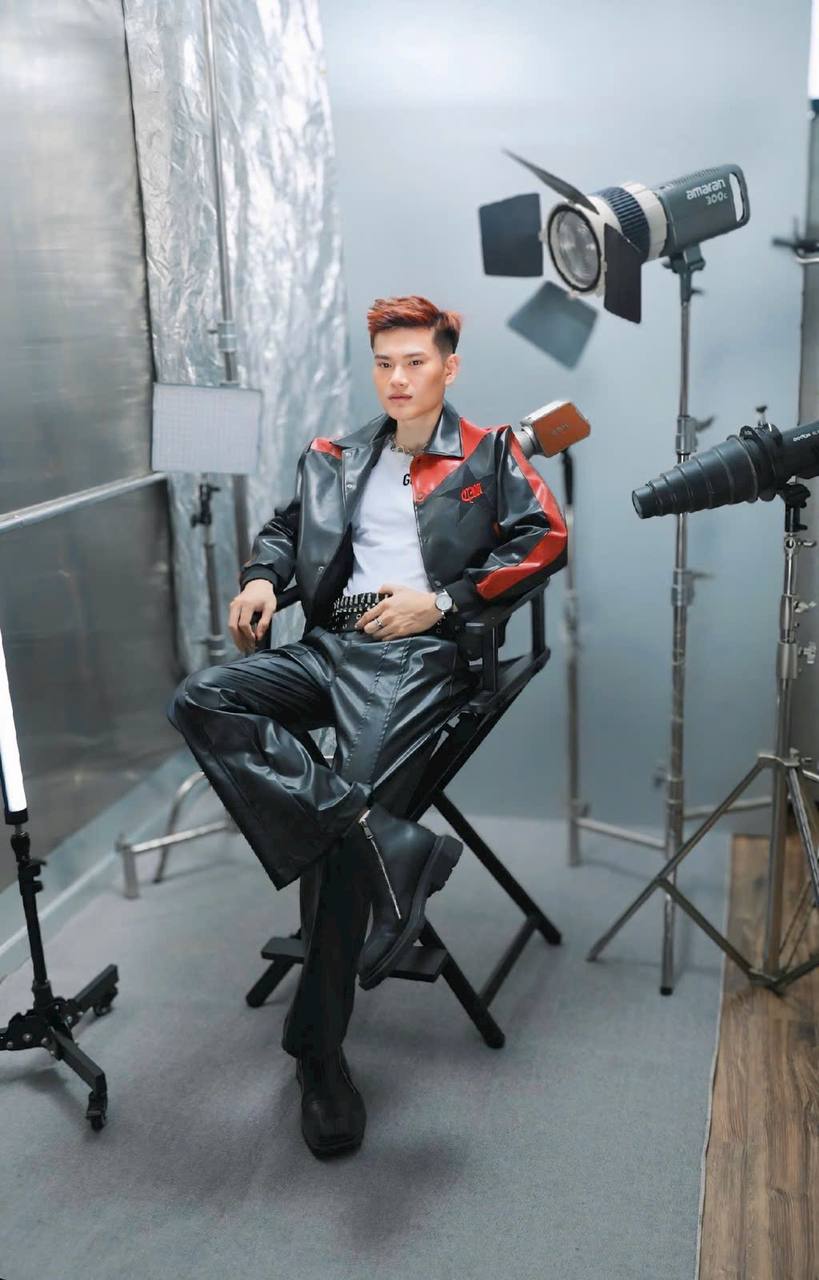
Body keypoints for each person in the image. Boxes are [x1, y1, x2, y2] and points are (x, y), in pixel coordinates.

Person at [167, 295, 567, 1158]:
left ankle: (318, 1058)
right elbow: (286, 530)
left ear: (448, 367)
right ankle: (382, 839)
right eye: (385, 362)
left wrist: (444, 603)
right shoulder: (335, 455)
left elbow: (544, 539)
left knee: (332, 836)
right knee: (202, 698)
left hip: (415, 656)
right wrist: (263, 578)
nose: (397, 378)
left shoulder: (489, 453)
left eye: (415, 361)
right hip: (328, 644)